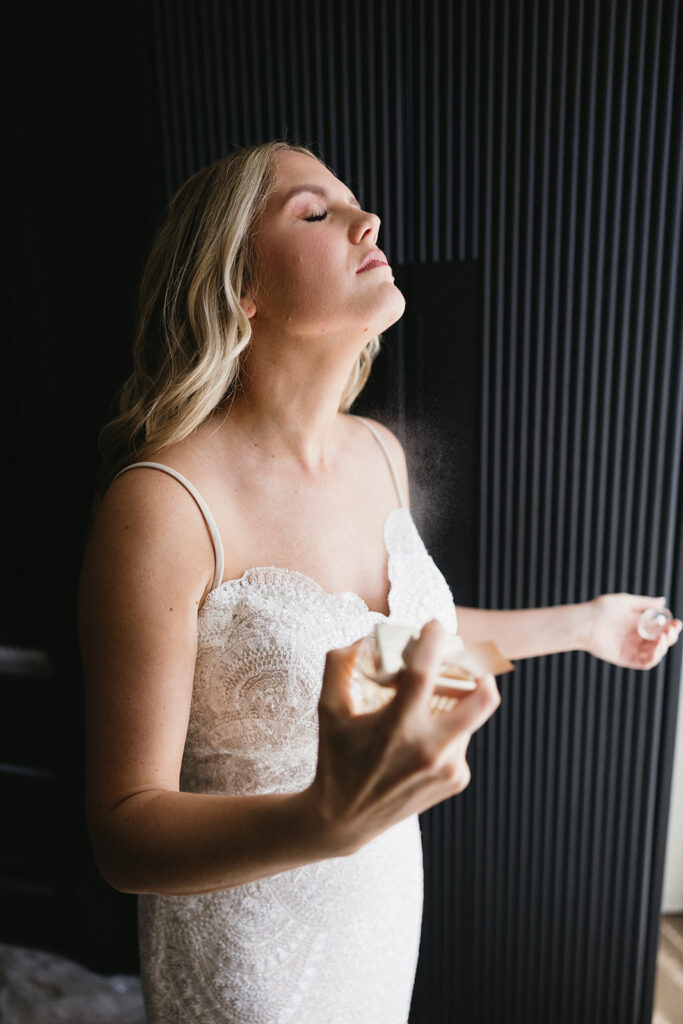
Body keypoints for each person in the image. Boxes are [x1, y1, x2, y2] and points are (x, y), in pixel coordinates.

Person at [78, 140, 681, 1024]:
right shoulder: (163, 505)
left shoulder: (379, 453)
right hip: (251, 949)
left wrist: (586, 626)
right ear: (239, 288)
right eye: (314, 213)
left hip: (381, 895)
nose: (369, 221)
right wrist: (323, 820)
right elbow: (124, 834)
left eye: (353, 204)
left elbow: (397, 643)